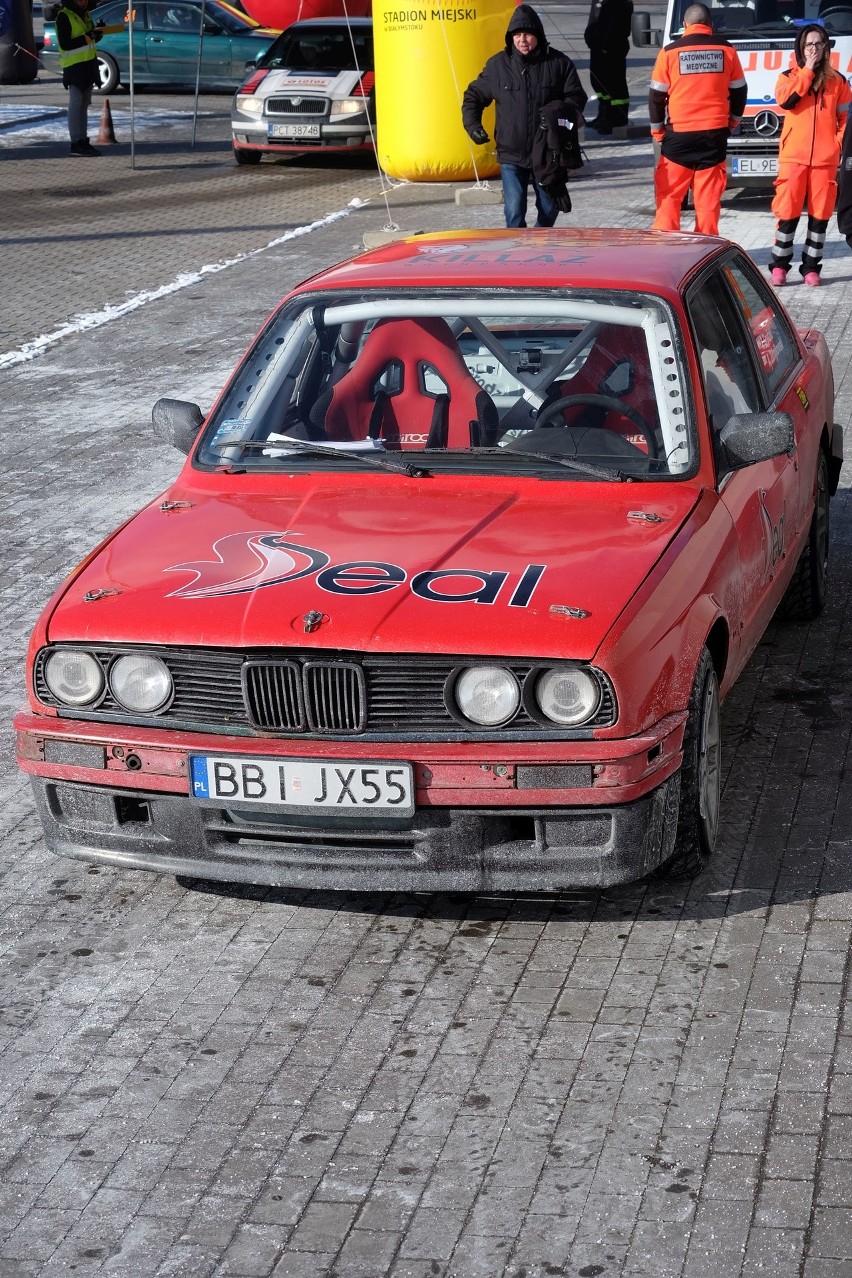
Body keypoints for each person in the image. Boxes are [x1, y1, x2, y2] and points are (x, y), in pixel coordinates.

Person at [462, 4, 587, 229]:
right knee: (514, 210)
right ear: (510, 38)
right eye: (517, 35)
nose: (522, 40)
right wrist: (473, 126)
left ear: (538, 36)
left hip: (548, 153)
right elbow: (473, 96)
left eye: (527, 34)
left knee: (550, 208)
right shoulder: (498, 65)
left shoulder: (559, 63)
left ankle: (539, 241)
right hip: (512, 153)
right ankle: (519, 255)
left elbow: (576, 99)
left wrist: (554, 117)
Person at [648, 2, 746, 235]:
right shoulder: (727, 50)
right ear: (711, 25)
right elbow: (740, 90)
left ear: (684, 26)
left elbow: (656, 97)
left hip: (678, 138)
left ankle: (665, 250)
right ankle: (705, 255)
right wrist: (732, 122)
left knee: (669, 199)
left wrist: (658, 132)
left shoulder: (670, 52)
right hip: (713, 136)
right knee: (708, 204)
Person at [769, 23, 851, 288]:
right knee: (788, 213)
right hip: (793, 158)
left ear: (826, 47)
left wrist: (836, 144)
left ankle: (811, 268)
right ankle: (780, 266)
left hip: (824, 161)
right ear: (800, 49)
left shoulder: (838, 81)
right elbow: (786, 101)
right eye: (808, 45)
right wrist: (807, 71)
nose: (814, 49)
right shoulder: (788, 77)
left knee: (820, 217)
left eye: (818, 44)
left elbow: (845, 118)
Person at [55, 0, 104, 157]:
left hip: (88, 64)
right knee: (76, 105)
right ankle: (75, 143)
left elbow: (90, 40)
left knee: (83, 105)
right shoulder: (64, 16)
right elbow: (65, 44)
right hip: (74, 66)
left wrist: (98, 33)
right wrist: (88, 36)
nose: (83, 2)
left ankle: (83, 141)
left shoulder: (87, 15)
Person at [584, 0, 634, 134]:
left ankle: (618, 117)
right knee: (598, 81)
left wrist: (606, 42)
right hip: (597, 46)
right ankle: (604, 114)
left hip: (613, 46)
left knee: (614, 84)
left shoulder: (620, 3)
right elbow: (594, 19)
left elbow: (618, 24)